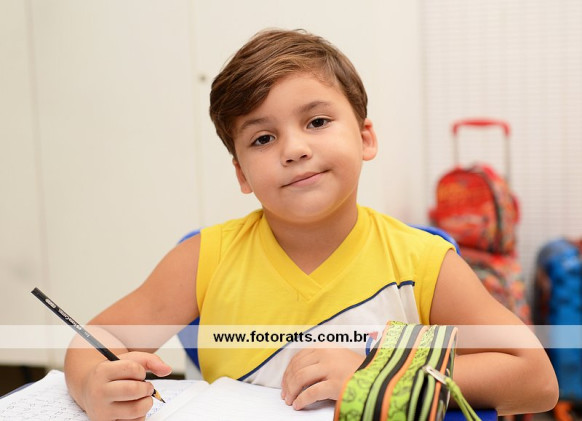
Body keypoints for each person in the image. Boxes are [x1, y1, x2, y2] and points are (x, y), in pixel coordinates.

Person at [64, 28, 558, 420]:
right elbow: (96, 339)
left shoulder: (424, 263)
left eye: (317, 122)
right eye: (262, 138)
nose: (294, 149)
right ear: (241, 174)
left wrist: (379, 376)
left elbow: (535, 379)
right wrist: (91, 384)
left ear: (365, 138)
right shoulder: (201, 260)